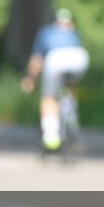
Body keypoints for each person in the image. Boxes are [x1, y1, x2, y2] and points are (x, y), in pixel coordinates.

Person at [20, 9, 90, 151]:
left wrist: (30, 79)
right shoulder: (73, 33)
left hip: (56, 58)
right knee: (70, 84)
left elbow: (37, 60)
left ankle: (51, 135)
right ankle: (71, 115)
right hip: (80, 57)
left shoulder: (46, 32)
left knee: (49, 98)